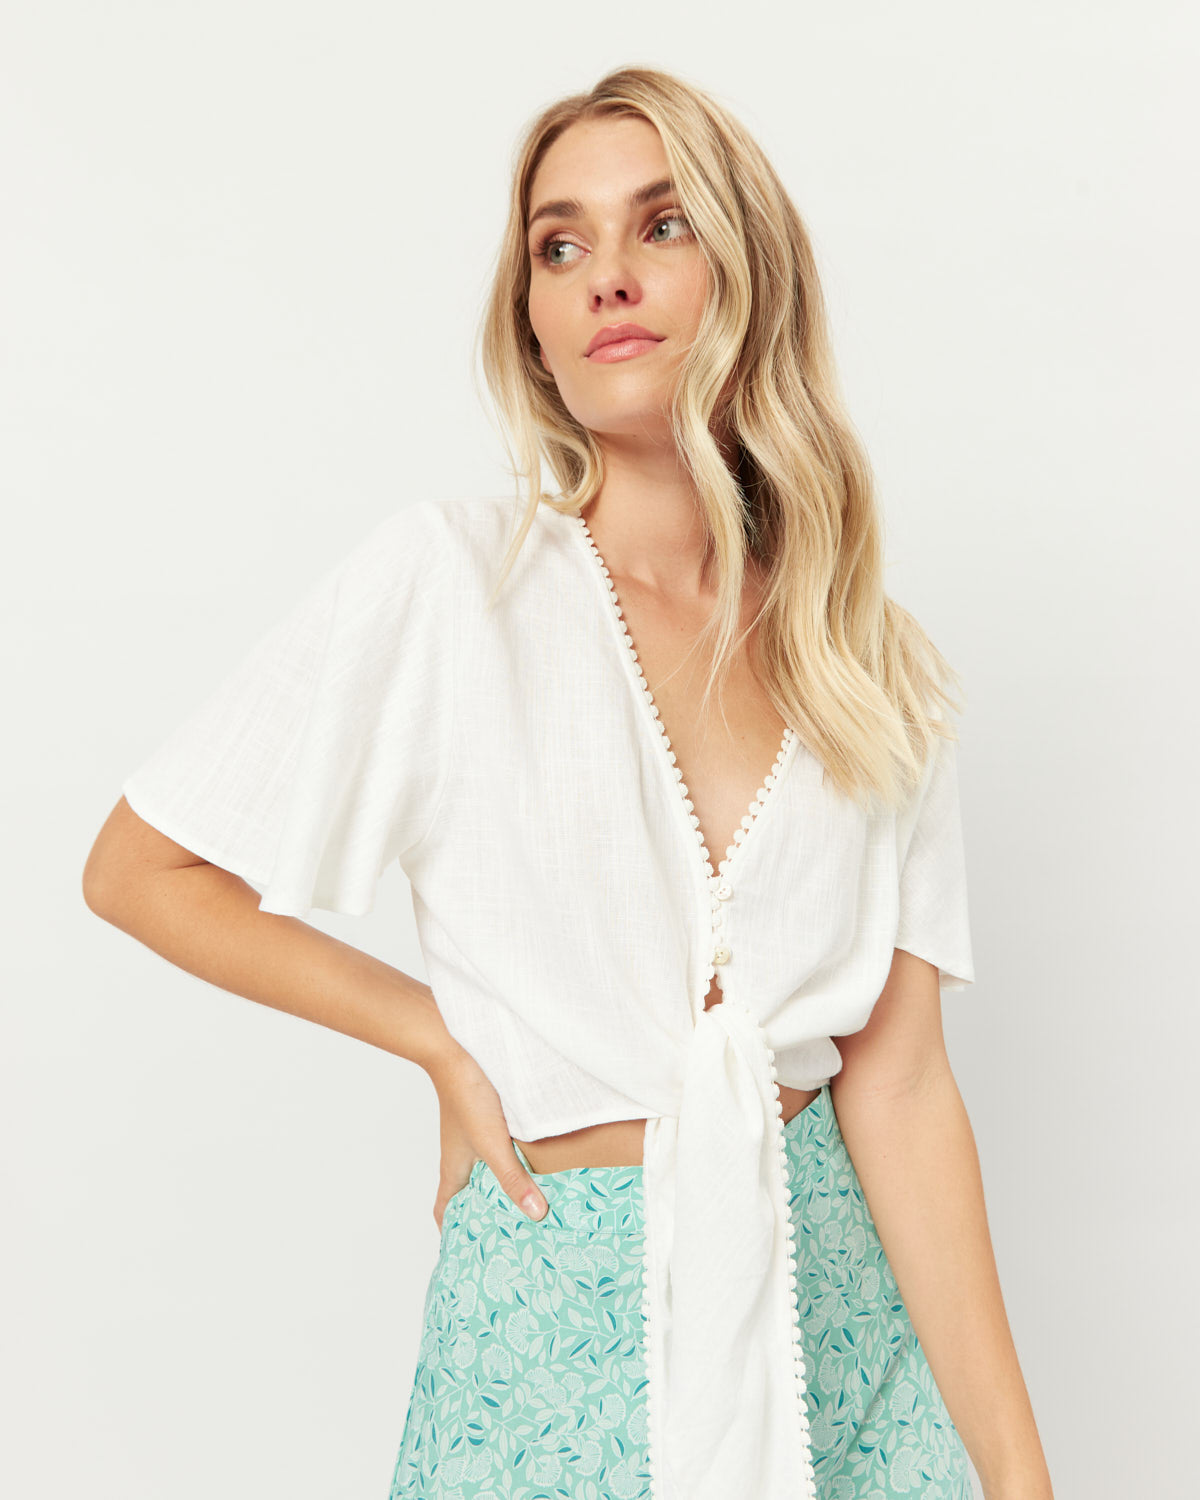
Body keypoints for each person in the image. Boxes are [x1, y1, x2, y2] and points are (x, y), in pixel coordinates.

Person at [83, 66, 1054, 1500]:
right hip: (548, 1329)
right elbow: (138, 870)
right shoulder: (454, 587)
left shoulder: (868, 656)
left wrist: (1020, 1475)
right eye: (559, 245)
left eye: (662, 226)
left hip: (834, 1338)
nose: (606, 276)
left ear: (749, 276)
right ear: (533, 330)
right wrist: (437, 1037)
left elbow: (902, 1088)